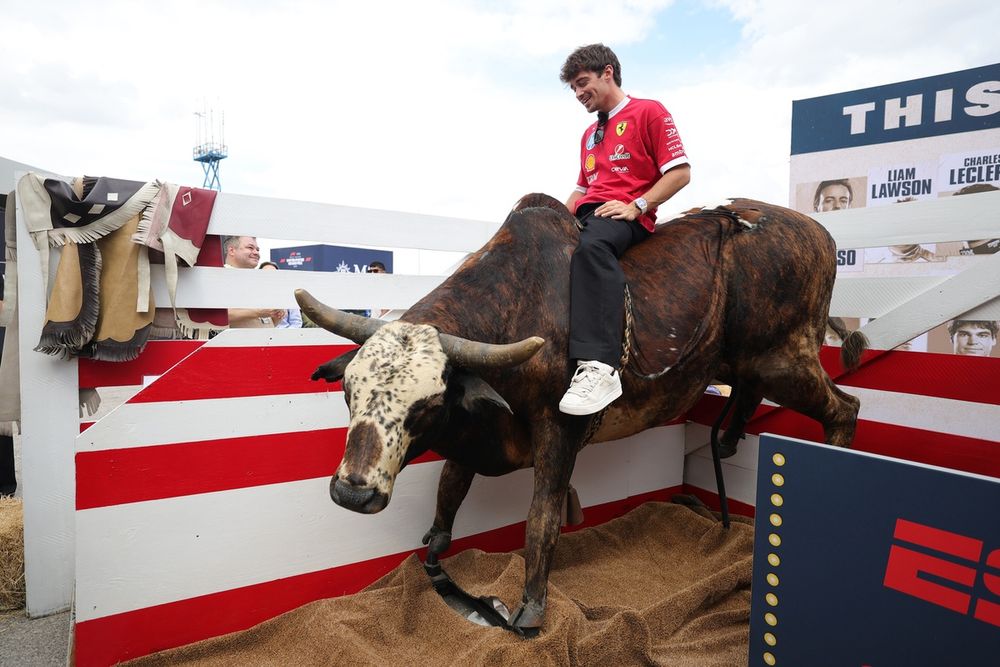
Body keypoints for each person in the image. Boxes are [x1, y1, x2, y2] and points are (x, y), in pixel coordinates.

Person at [557, 43, 691, 416]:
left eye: (583, 83)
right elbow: (582, 188)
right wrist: (553, 214)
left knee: (591, 250)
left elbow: (680, 173)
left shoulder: (648, 111)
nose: (579, 93)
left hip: (623, 217)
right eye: (573, 89)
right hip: (587, 212)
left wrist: (638, 206)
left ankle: (600, 367)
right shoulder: (588, 134)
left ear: (608, 73)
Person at [223, 235, 284, 328]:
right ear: (232, 250)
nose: (256, 253)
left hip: (267, 340)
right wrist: (258, 312)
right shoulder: (220, 277)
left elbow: (265, 321)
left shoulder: (257, 280)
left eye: (258, 249)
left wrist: (276, 315)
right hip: (239, 342)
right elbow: (216, 316)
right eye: (250, 248)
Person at [258, 261, 302, 328]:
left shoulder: (288, 296)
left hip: (285, 335)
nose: (270, 276)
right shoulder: (254, 296)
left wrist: (284, 336)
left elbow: (296, 322)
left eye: (273, 273)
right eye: (266, 273)